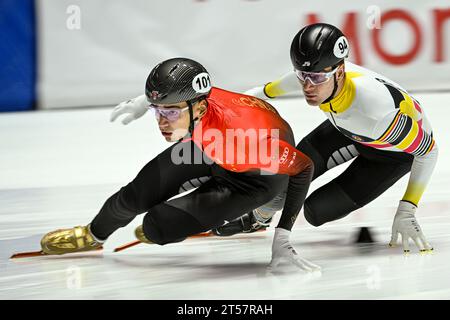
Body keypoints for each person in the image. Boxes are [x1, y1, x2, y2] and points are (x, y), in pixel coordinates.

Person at [40, 57, 320, 271]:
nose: (162, 122)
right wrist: (145, 101)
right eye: (157, 112)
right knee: (136, 194)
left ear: (198, 108)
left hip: (255, 178)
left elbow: (304, 168)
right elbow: (177, 92)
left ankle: (257, 216)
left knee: (157, 226)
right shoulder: (197, 103)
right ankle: (93, 234)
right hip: (211, 147)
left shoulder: (247, 139)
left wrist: (283, 236)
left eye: (171, 112)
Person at [215, 23, 438, 253]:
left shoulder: (377, 112)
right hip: (350, 129)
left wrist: (407, 208)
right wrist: (251, 97)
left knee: (315, 212)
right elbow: (283, 85)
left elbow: (429, 151)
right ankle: (259, 218)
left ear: (340, 71)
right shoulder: (323, 75)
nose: (308, 87)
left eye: (317, 78)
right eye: (303, 76)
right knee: (288, 175)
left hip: (390, 153)